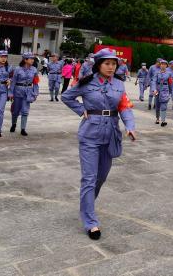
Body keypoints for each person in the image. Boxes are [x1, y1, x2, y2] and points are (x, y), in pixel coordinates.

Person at [61, 48, 137, 240]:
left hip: (110, 133)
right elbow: (66, 96)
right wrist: (80, 110)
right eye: (107, 64)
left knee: (101, 177)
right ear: (98, 65)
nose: (111, 67)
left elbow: (124, 107)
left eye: (114, 64)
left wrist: (129, 126)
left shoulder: (119, 84)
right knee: (89, 177)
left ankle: (86, 205)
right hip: (90, 134)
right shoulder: (86, 82)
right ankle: (90, 221)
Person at [8, 52, 40, 136]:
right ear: (25, 60)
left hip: (28, 91)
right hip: (18, 91)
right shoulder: (17, 69)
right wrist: (10, 92)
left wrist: (35, 92)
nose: (32, 60)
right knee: (15, 110)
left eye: (33, 59)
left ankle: (23, 129)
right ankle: (14, 124)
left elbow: (36, 82)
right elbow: (13, 81)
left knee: (25, 111)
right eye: (31, 58)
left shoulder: (34, 69)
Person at [151, 59, 173, 126]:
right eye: (161, 64)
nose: (163, 65)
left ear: (166, 65)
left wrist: (171, 92)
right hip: (157, 90)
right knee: (157, 105)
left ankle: (163, 121)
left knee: (164, 106)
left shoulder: (169, 74)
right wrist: (154, 89)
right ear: (160, 65)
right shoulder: (157, 73)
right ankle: (157, 118)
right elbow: (153, 81)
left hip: (165, 90)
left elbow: (170, 83)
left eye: (164, 64)